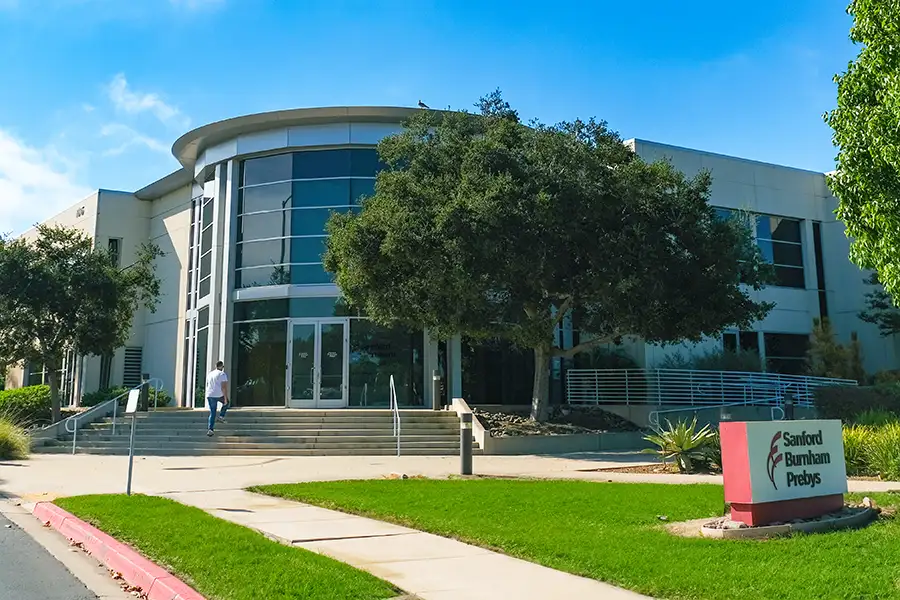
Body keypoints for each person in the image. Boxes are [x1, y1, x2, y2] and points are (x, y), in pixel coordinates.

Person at [205, 360, 229, 437]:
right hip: (219, 394)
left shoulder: (210, 374)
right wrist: (225, 398)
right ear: (221, 366)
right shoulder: (222, 374)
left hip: (210, 394)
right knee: (227, 403)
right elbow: (224, 387)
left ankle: (210, 429)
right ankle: (221, 416)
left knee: (213, 412)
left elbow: (208, 384)